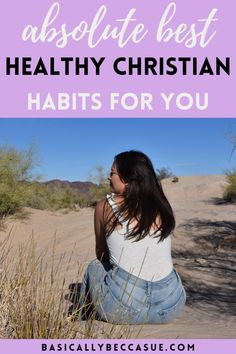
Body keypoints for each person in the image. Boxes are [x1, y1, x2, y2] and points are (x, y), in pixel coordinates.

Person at [71, 150, 186, 324]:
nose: (108, 177)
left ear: (127, 178)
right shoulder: (160, 205)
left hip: (123, 309)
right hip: (170, 306)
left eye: (112, 173)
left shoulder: (106, 205)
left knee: (94, 267)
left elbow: (101, 254)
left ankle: (81, 320)